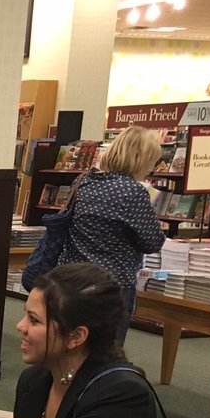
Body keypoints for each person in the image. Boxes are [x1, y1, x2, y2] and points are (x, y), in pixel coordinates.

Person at [13, 262, 164, 418]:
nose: (20, 326)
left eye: (34, 320)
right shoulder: (34, 381)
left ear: (76, 336)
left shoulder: (122, 395)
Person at [58, 124, 166, 344]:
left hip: (73, 276)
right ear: (141, 159)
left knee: (70, 343)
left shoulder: (84, 181)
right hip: (112, 283)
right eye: (152, 161)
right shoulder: (132, 191)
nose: (152, 168)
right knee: (106, 348)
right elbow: (152, 241)